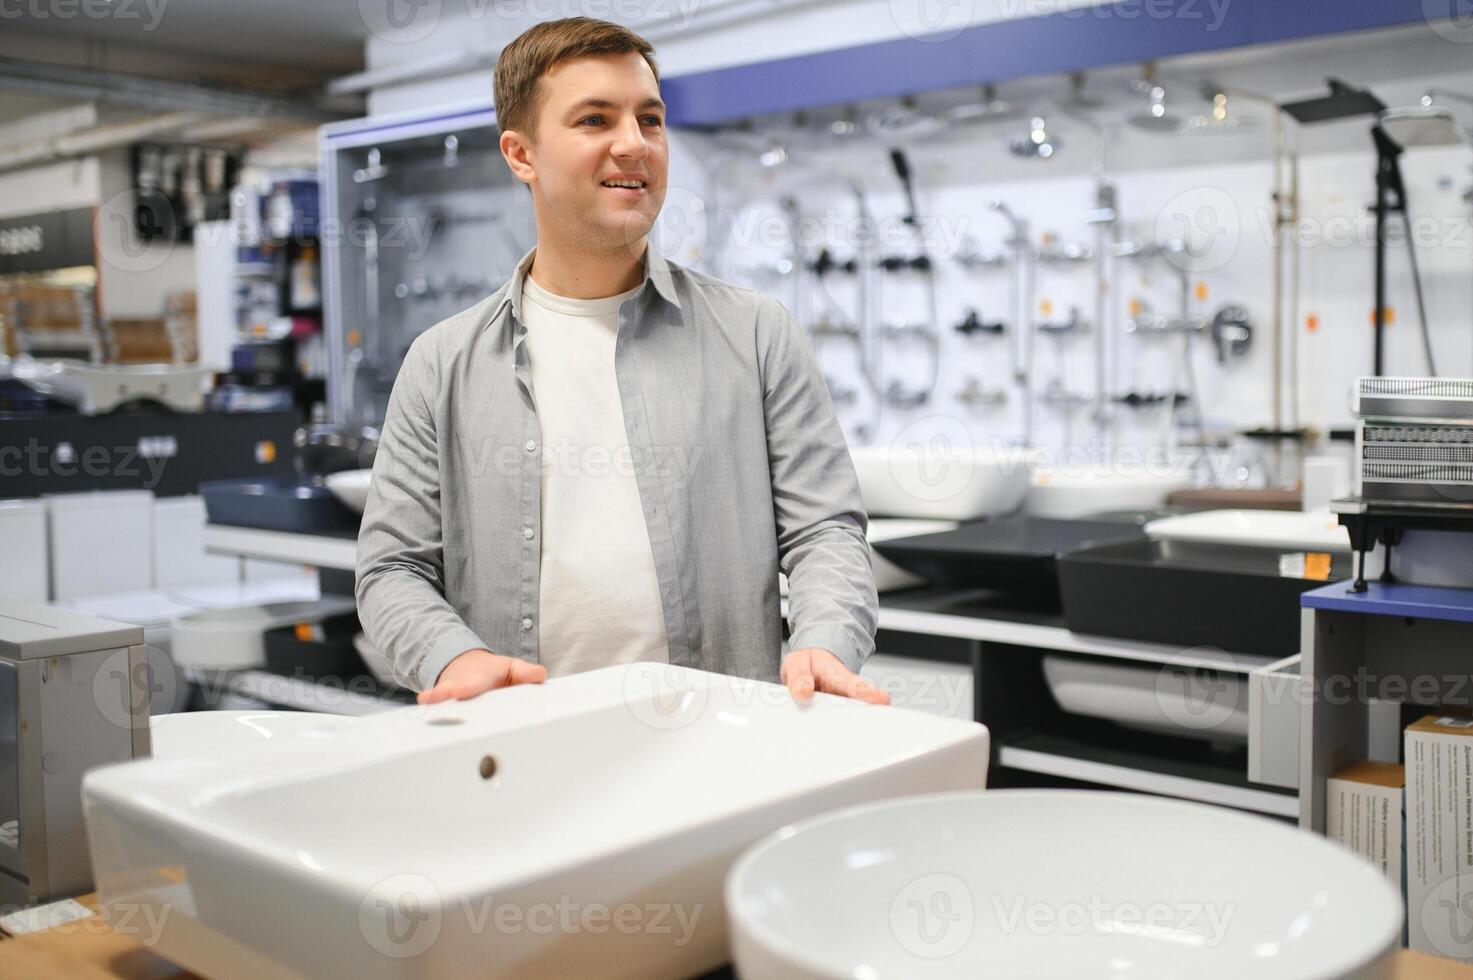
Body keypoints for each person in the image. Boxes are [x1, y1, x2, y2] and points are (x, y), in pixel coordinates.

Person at [355, 16, 885, 707]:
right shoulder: (441, 363)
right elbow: (391, 567)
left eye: (650, 119)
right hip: (522, 746)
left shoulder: (755, 334)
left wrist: (822, 640)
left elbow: (825, 531)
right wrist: (451, 658)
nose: (633, 145)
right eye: (594, 120)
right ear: (521, 155)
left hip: (717, 741)